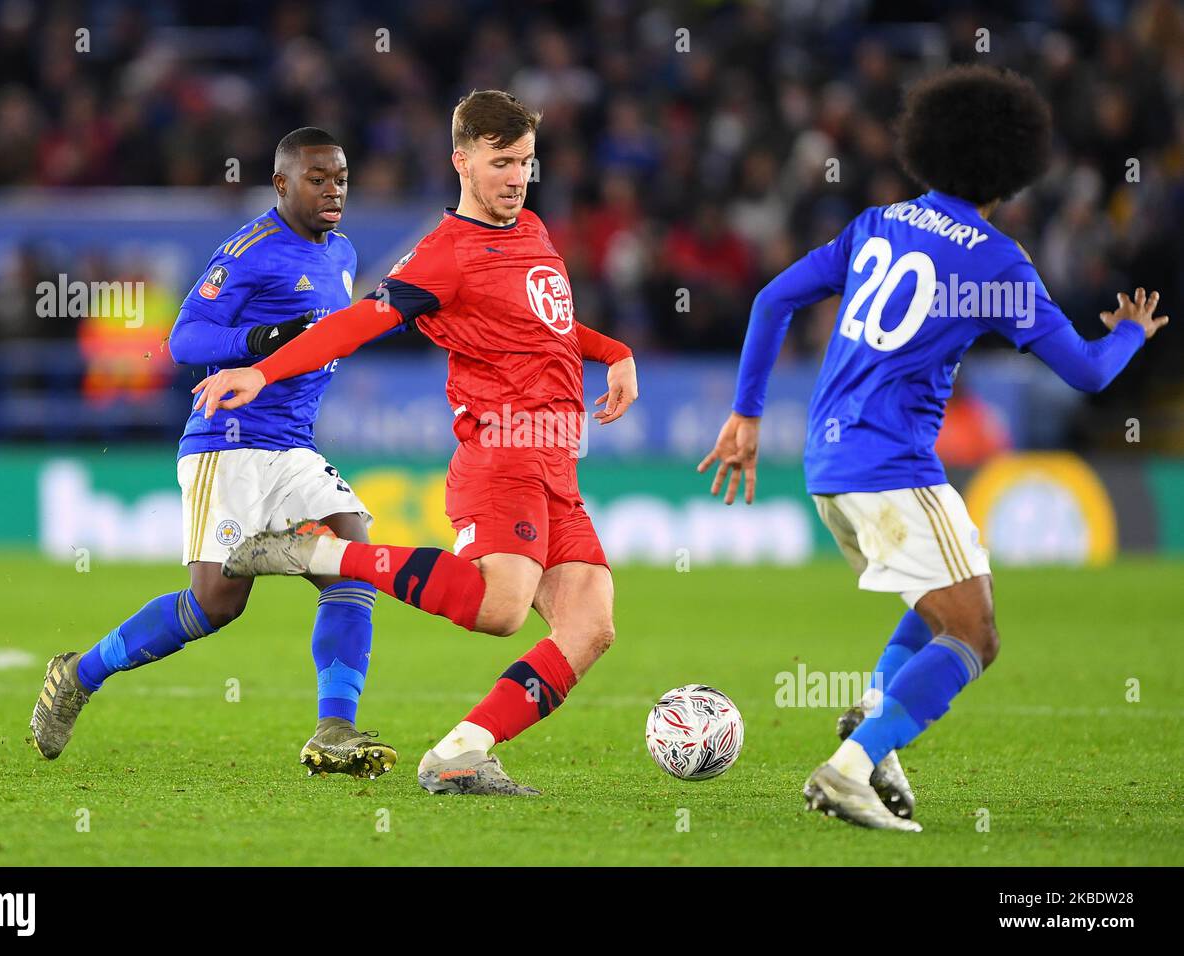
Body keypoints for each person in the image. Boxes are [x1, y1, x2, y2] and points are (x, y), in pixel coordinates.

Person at [700, 66, 1167, 832]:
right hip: (891, 468)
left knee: (946, 591)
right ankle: (851, 769)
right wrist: (1129, 333)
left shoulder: (877, 224)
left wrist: (746, 415)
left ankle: (871, 724)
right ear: (1014, 162)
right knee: (975, 633)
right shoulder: (996, 260)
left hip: (830, 469)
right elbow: (1085, 372)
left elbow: (772, 297)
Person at [191, 90, 639, 796]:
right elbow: (356, 322)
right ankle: (323, 551)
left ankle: (461, 752)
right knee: (502, 608)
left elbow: (547, 325)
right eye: (501, 163)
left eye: (525, 161)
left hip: (557, 458)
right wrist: (263, 369)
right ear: (461, 161)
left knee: (590, 625)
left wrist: (613, 351)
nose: (517, 177)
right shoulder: (444, 256)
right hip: (502, 453)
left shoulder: (532, 231)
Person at [30, 128, 398, 780]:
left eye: (341, 176)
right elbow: (185, 338)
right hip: (226, 443)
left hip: (293, 446)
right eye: (318, 177)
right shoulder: (250, 251)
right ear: (283, 184)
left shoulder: (342, 253)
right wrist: (266, 336)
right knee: (215, 604)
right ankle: (79, 673)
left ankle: (334, 728)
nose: (334, 188)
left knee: (355, 554)